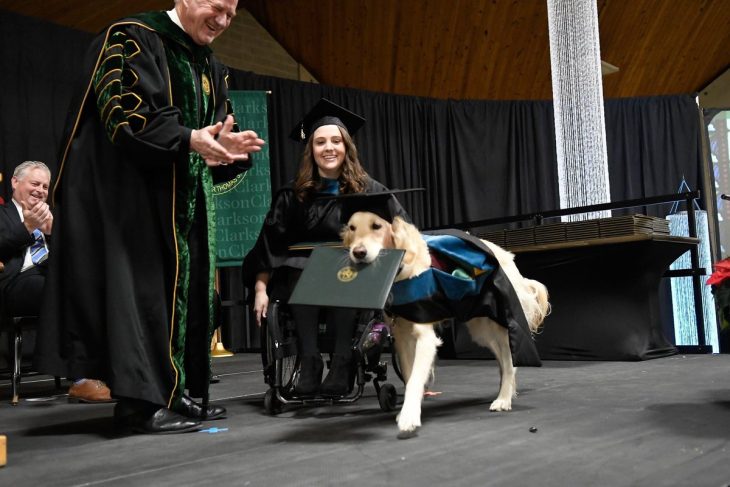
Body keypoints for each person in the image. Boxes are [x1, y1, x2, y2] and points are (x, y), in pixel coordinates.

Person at [35, 0, 265, 434]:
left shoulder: (210, 65)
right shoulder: (132, 36)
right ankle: (140, 404)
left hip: (180, 200)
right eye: (216, 7)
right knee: (140, 297)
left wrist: (225, 150)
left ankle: (175, 393)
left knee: (183, 296)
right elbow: (121, 115)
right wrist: (189, 138)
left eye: (232, 14)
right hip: (130, 200)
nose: (223, 20)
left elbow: (211, 134)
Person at [243, 99, 408, 396]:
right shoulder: (292, 195)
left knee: (343, 269)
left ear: (347, 147)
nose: (329, 148)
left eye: (336, 141)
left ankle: (343, 361)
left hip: (353, 274)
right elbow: (269, 244)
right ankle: (310, 362)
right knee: (300, 270)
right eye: (320, 142)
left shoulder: (368, 191)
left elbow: (402, 230)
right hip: (300, 276)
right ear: (312, 150)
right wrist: (259, 290)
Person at [0, 161, 113, 404]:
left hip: (50, 276)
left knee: (94, 286)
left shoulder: (53, 217)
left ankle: (108, 371)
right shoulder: (3, 214)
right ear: (14, 182)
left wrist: (53, 234)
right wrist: (28, 227)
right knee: (63, 290)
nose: (40, 190)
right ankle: (80, 379)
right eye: (34, 183)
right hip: (15, 283)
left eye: (44, 186)